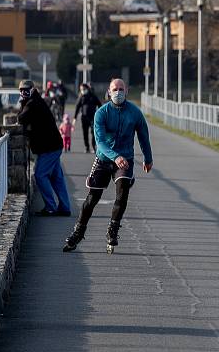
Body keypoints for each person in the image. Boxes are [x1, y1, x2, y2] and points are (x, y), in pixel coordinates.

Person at [62, 78, 153, 253]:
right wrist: (114, 156)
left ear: (126, 91)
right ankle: (78, 232)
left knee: (122, 192)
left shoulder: (135, 112)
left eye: (121, 89)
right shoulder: (101, 113)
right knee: (92, 198)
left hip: (125, 158)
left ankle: (113, 230)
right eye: (114, 89)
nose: (118, 92)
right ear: (109, 92)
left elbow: (143, 136)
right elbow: (100, 142)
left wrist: (148, 158)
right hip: (104, 158)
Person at [17, 80, 72, 217]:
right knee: (56, 178)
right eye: (21, 90)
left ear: (33, 89)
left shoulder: (33, 103)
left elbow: (21, 118)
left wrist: (23, 102)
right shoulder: (36, 101)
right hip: (53, 145)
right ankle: (65, 208)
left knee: (40, 175)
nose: (24, 92)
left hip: (49, 148)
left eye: (26, 90)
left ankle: (51, 207)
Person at [74, 83, 102, 153]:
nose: (82, 91)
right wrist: (75, 118)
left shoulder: (93, 96)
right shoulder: (81, 97)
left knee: (94, 132)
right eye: (81, 90)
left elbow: (99, 104)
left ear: (87, 89)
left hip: (93, 117)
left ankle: (93, 146)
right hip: (84, 117)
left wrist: (100, 114)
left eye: (83, 89)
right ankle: (87, 147)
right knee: (85, 133)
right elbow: (77, 107)